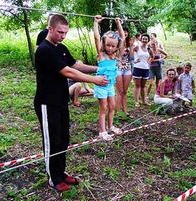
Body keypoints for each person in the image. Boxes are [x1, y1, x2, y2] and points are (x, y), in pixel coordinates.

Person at [34, 14, 108, 192]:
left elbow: (75, 65)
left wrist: (100, 68)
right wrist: (94, 80)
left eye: (65, 32)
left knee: (63, 139)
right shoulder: (44, 50)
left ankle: (61, 172)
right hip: (46, 103)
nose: (63, 36)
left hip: (61, 101)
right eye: (60, 32)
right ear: (50, 28)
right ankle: (53, 178)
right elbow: (68, 72)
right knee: (52, 141)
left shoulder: (61, 48)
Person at [93, 15, 125, 141]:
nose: (110, 48)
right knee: (103, 108)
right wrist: (96, 23)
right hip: (101, 86)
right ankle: (102, 131)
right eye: (108, 45)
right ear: (104, 44)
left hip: (110, 86)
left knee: (112, 106)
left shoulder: (116, 56)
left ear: (117, 47)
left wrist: (118, 24)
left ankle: (110, 126)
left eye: (113, 46)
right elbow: (96, 37)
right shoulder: (101, 55)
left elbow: (122, 38)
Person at [131, 33, 153, 107]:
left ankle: (144, 101)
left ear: (148, 40)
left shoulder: (149, 49)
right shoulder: (137, 47)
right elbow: (131, 54)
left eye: (146, 39)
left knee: (143, 86)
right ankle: (136, 102)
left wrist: (149, 62)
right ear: (141, 39)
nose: (144, 40)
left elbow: (152, 56)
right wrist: (134, 61)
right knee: (137, 86)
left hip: (146, 69)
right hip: (137, 68)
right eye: (143, 39)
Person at [115, 28, 133, 117]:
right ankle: (118, 112)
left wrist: (132, 47)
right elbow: (118, 55)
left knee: (125, 91)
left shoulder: (129, 44)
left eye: (126, 31)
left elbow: (132, 57)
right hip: (117, 67)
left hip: (127, 68)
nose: (125, 33)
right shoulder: (115, 43)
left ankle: (125, 110)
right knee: (119, 91)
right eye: (123, 31)